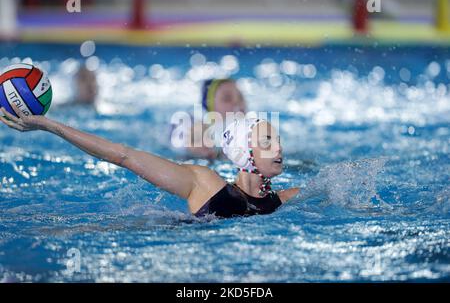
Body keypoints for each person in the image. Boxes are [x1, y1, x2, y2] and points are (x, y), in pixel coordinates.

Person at [0, 105, 299, 218]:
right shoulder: (205, 183)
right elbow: (123, 155)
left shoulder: (284, 200)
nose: (279, 148)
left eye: (278, 140)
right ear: (244, 153)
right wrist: (51, 126)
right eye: (267, 141)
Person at [170, 78, 247, 159]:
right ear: (209, 105)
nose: (236, 103)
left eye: (240, 97)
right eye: (227, 98)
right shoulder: (198, 127)